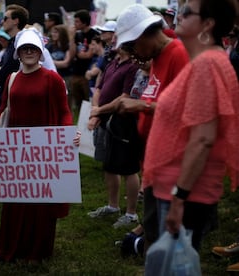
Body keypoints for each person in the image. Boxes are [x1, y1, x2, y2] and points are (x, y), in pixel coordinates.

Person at [0, 28, 80, 264]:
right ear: (18, 53)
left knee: (41, 202)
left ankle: (36, 251)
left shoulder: (53, 79)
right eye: (25, 48)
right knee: (16, 201)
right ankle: (10, 247)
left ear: (40, 52)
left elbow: (63, 112)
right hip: (18, 153)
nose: (29, 52)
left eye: (33, 48)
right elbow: (3, 113)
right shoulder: (12, 79)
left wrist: (68, 135)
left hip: (44, 152)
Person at [141, 0, 239, 255]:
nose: (179, 15)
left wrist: (179, 197)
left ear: (208, 24)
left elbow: (203, 138)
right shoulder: (205, 61)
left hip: (185, 190)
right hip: (177, 184)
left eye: (186, 11)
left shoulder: (207, 64)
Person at [113, 3, 190, 254]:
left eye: (132, 45)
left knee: (166, 236)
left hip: (172, 161)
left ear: (143, 34)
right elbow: (160, 98)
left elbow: (186, 110)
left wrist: (141, 106)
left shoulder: (178, 54)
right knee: (153, 226)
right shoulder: (156, 57)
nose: (133, 52)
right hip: (155, 159)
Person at [86, 45, 140, 229]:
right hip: (106, 120)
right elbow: (98, 88)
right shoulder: (113, 62)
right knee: (109, 165)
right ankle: (113, 206)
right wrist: (96, 113)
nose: (114, 41)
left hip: (123, 123)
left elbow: (125, 97)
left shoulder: (133, 66)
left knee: (128, 168)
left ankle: (131, 214)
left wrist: (98, 111)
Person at [0, 4, 29, 115]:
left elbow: (4, 73)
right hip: (8, 94)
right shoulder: (12, 43)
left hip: (17, 97)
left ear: (15, 21)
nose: (2, 21)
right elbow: (0, 69)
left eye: (5, 18)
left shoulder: (21, 43)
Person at [69, 9, 98, 114]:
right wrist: (72, 38)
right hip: (76, 72)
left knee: (88, 102)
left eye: (77, 21)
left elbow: (87, 55)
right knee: (77, 103)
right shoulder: (77, 35)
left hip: (87, 73)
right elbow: (72, 54)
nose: (75, 24)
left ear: (84, 22)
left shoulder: (94, 34)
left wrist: (79, 53)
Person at [46, 24, 72, 92]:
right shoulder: (50, 46)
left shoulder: (67, 46)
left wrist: (50, 62)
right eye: (52, 32)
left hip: (66, 77)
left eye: (56, 32)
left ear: (62, 33)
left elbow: (66, 63)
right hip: (53, 76)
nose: (53, 34)